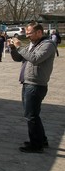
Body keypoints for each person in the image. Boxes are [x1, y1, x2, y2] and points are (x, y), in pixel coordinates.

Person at [9, 22, 56, 153]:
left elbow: (35, 59)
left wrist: (19, 47)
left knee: (31, 115)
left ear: (39, 32)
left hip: (36, 85)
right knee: (33, 114)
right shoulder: (33, 44)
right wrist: (13, 48)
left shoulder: (48, 45)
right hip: (27, 82)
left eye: (30, 33)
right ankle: (42, 140)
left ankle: (36, 145)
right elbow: (19, 58)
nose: (27, 36)